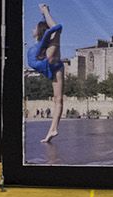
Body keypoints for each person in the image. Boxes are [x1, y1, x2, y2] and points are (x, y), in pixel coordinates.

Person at [28, 5, 64, 143]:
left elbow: (57, 28)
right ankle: (52, 130)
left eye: (34, 28)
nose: (32, 29)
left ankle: (53, 129)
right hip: (55, 68)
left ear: (39, 31)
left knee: (58, 100)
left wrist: (45, 12)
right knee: (57, 100)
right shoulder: (39, 47)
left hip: (55, 66)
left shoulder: (51, 43)